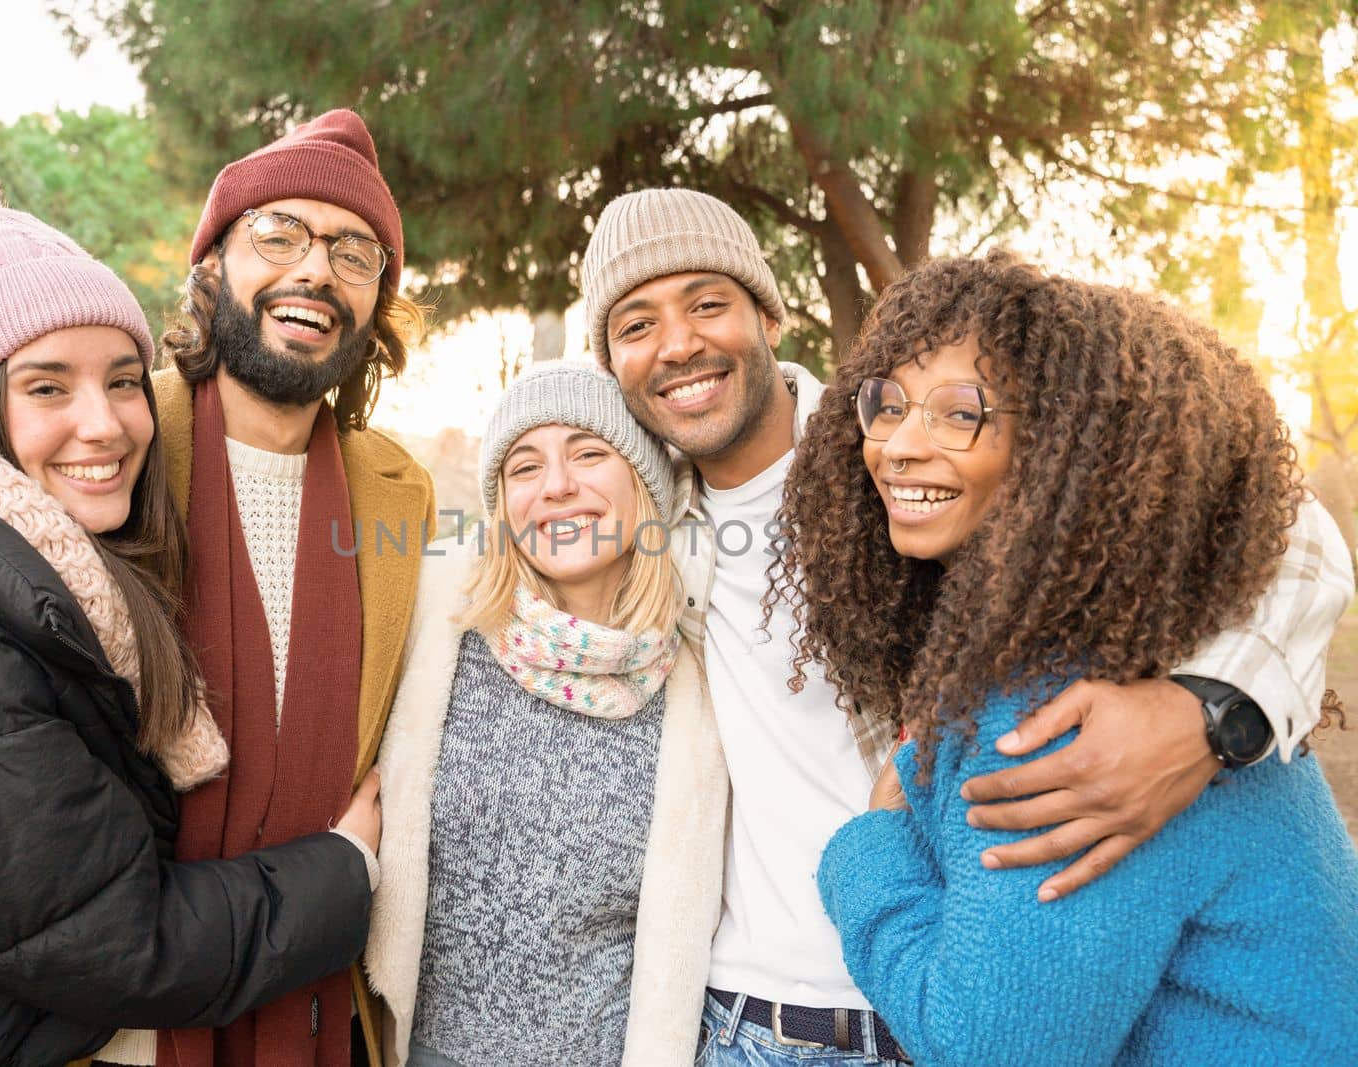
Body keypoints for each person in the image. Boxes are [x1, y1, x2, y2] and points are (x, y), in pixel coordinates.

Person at [579, 189, 1353, 1065]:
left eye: (707, 303)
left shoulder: (887, 471)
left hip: (934, 989)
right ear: (610, 363)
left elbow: (1282, 530)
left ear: (767, 312)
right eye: (635, 324)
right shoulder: (654, 517)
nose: (678, 343)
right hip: (749, 1014)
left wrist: (1210, 712)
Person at [0, 109, 435, 1067]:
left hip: (316, 997)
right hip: (109, 1009)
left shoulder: (398, 489)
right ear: (213, 267)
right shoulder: (122, 426)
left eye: (355, 251)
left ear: (378, 301)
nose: (315, 268)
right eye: (278, 233)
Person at [790, 250, 1358, 1064]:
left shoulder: (1061, 715)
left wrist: (867, 855)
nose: (898, 446)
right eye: (888, 405)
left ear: (1063, 448)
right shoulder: (1135, 640)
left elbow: (992, 1050)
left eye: (960, 413)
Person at [362, 362, 727, 1067]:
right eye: (525, 466)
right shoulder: (438, 628)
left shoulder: (700, 678)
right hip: (419, 1050)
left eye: (589, 452)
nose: (557, 484)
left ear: (645, 482)